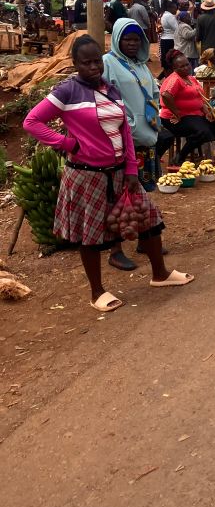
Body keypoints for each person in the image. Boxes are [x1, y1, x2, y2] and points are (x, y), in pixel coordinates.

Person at [23, 35, 192, 312]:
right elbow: (32, 122)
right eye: (86, 63)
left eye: (96, 62)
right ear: (75, 64)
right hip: (86, 175)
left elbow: (124, 131)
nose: (93, 68)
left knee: (147, 219)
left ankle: (160, 274)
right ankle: (97, 292)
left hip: (119, 173)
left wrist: (130, 168)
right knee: (91, 234)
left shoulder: (109, 89)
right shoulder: (67, 91)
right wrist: (68, 144)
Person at [103, 19, 169, 270]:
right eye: (127, 39)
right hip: (121, 141)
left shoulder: (142, 65)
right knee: (118, 197)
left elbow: (154, 93)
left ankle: (144, 239)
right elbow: (103, 96)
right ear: (118, 39)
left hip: (145, 137)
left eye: (136, 40)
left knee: (140, 196)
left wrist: (155, 115)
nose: (132, 44)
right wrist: (126, 121)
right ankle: (115, 249)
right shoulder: (107, 64)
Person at [159, 50, 215, 163]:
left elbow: (199, 98)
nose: (186, 68)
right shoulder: (175, 79)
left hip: (193, 115)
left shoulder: (191, 78)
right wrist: (177, 113)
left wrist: (207, 112)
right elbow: (166, 95)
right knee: (203, 131)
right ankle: (180, 157)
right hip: (174, 119)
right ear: (174, 69)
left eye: (187, 64)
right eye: (181, 66)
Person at [158, 0, 179, 75]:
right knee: (170, 61)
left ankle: (161, 77)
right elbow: (176, 28)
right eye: (175, 8)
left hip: (165, 39)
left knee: (167, 61)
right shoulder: (170, 16)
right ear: (170, 8)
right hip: (170, 39)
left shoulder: (164, 15)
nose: (176, 10)